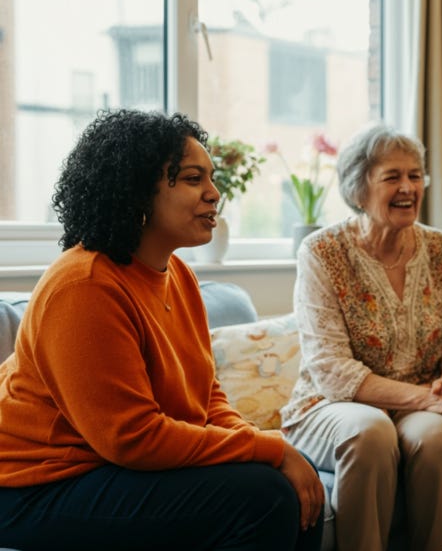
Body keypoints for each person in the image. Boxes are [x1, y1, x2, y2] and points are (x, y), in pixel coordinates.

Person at [0, 109, 324, 551]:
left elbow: (207, 397)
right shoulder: (85, 285)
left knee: (288, 482)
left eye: (212, 179)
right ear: (136, 191)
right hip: (32, 485)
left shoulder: (180, 277)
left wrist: (267, 449)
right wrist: (267, 449)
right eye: (193, 179)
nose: (215, 195)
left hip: (103, 467)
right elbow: (131, 438)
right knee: (264, 497)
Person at [281, 123, 442, 551]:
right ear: (359, 190)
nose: (408, 187)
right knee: (370, 431)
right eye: (392, 177)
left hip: (421, 401)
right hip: (333, 406)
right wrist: (430, 398)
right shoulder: (322, 253)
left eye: (415, 175)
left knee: (436, 439)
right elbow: (333, 373)